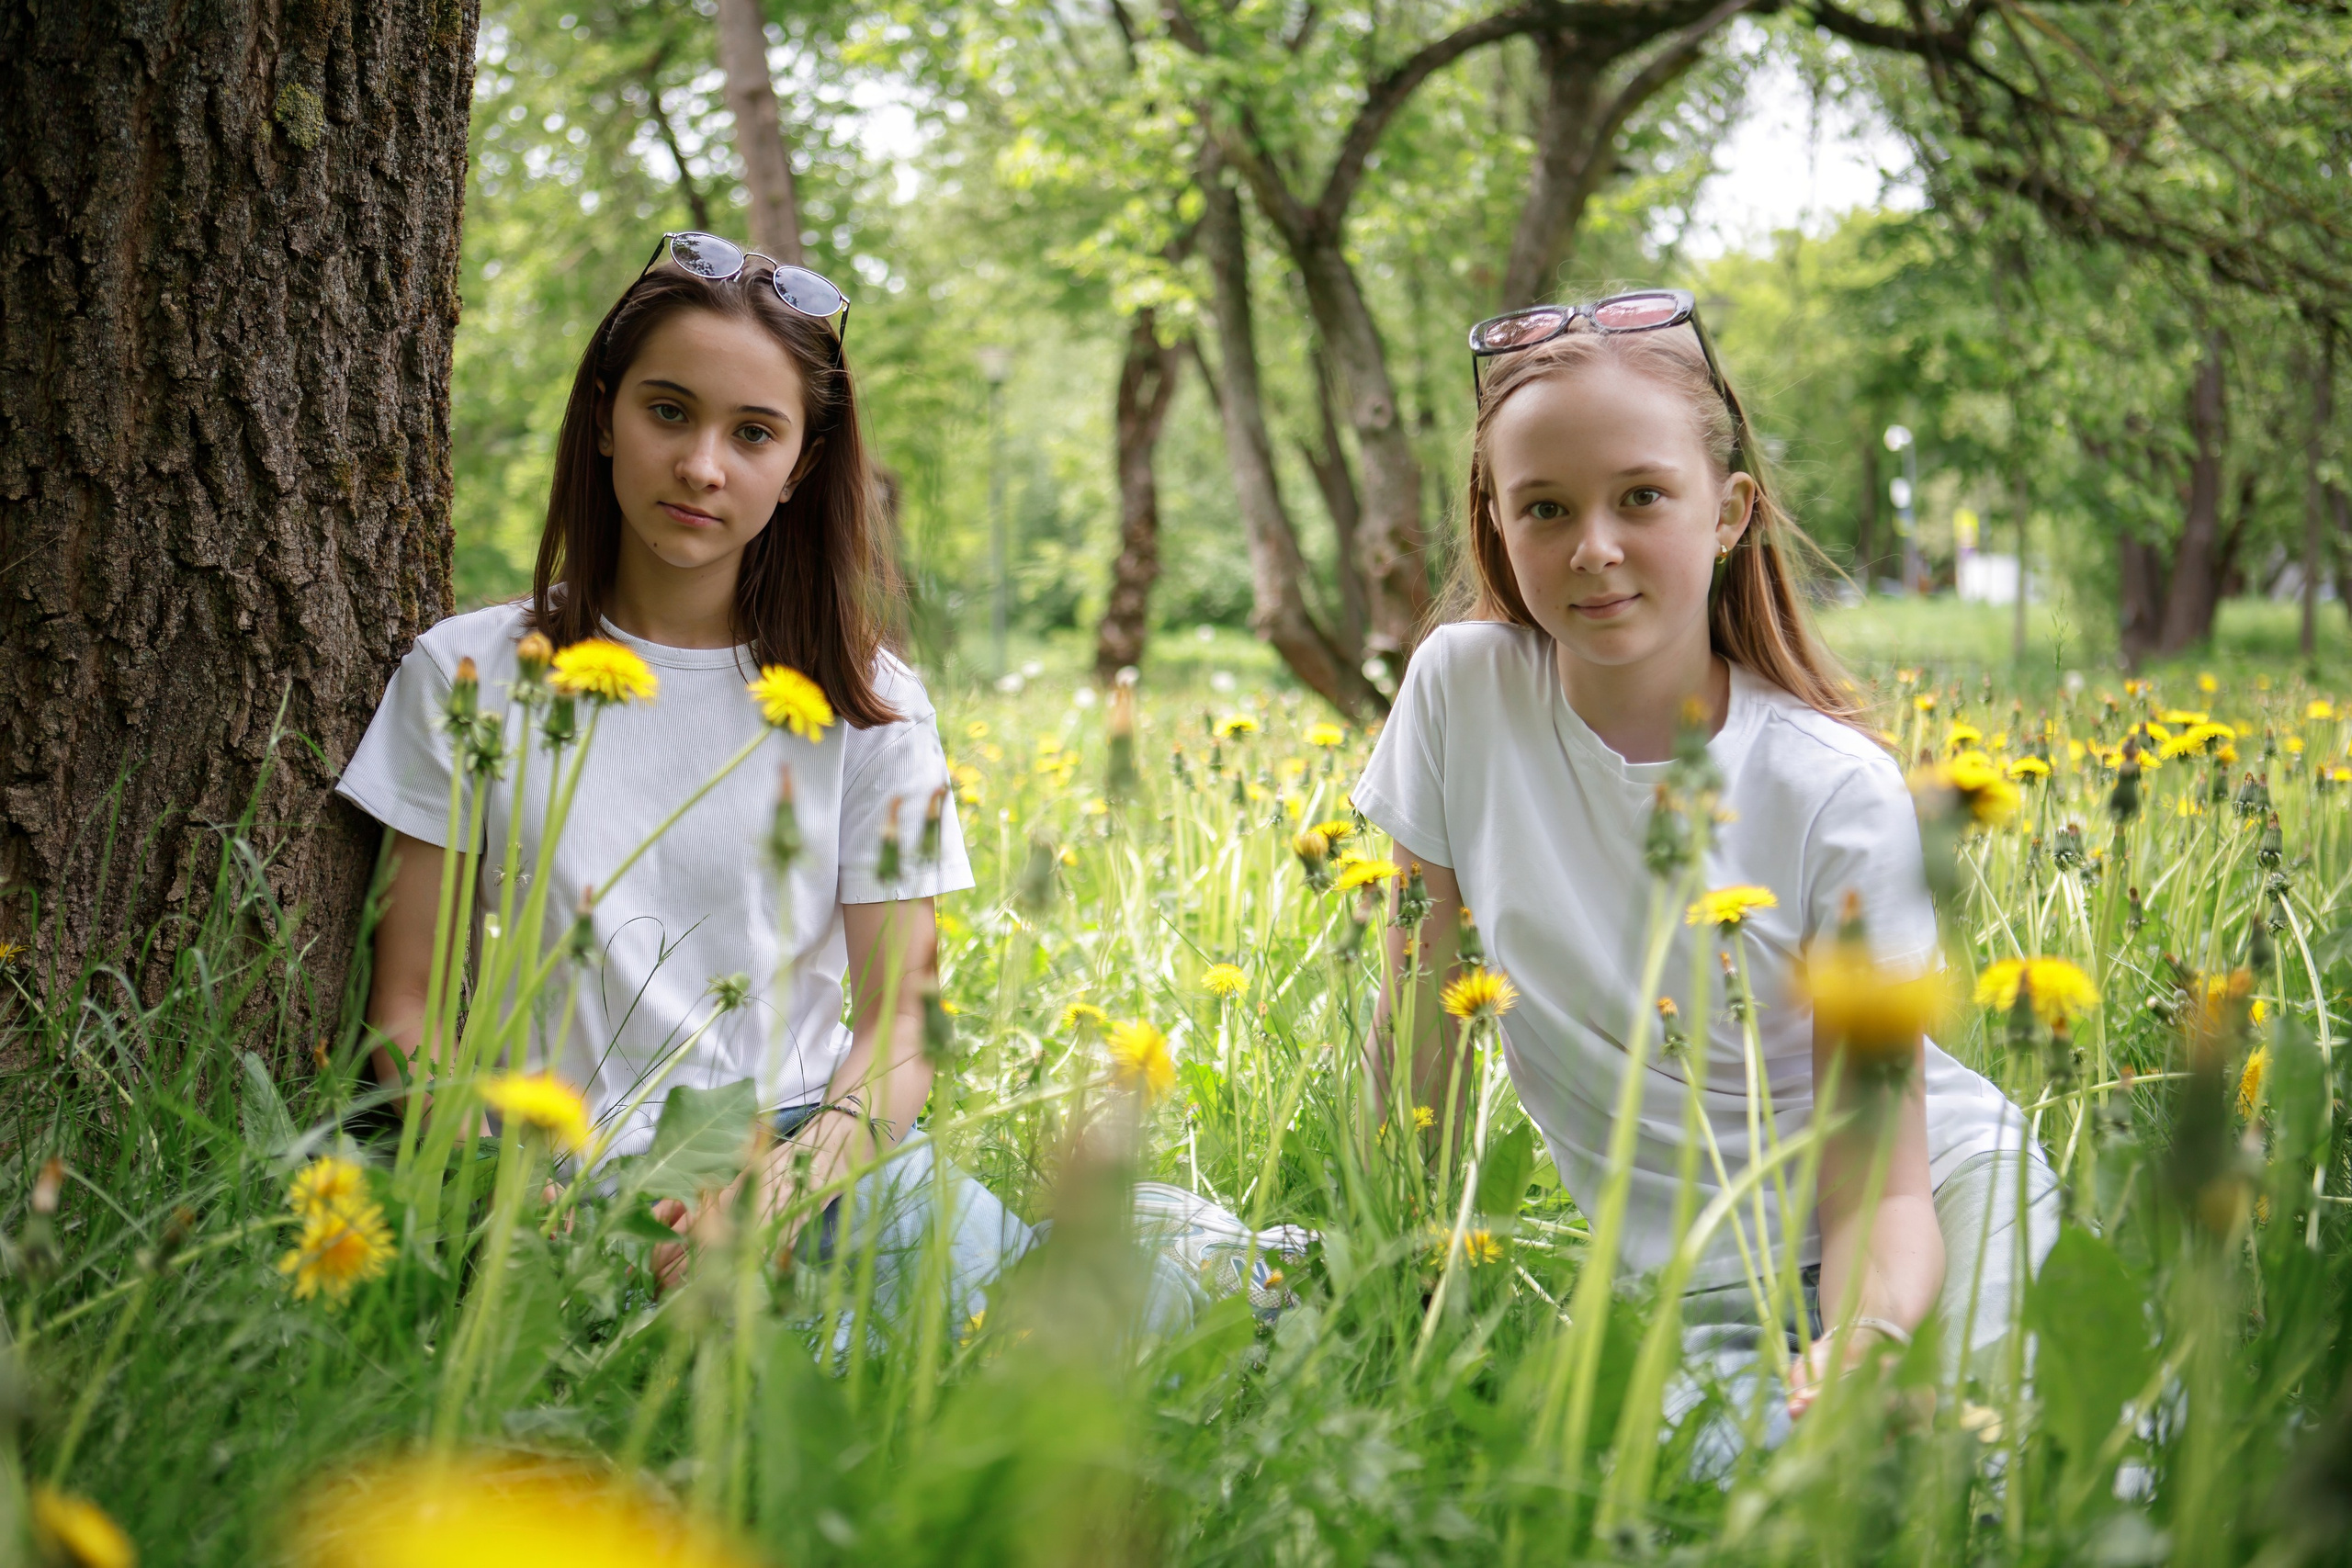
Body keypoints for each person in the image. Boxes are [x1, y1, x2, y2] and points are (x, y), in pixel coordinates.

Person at [1351, 290, 2055, 1424]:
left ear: (1727, 513)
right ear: (1494, 519)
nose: (1593, 548)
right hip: (1694, 1283)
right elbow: (1420, 1025)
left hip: (1922, 1225)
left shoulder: (1833, 793)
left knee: (1976, 1475)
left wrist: (1865, 1342)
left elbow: (1882, 1173)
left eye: (1641, 497)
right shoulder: (1457, 696)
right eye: (1543, 508)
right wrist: (1386, 1272)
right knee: (1709, 1489)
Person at [337, 232, 1020, 1297]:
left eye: (753, 433)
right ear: (604, 417)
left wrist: (777, 1196)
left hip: (810, 1163)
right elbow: (410, 1007)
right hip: (539, 1175)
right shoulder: (466, 671)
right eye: (668, 411)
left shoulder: (872, 707)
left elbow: (898, 1026)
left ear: (798, 470)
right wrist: (524, 1197)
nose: (702, 464)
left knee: (1045, 1363)